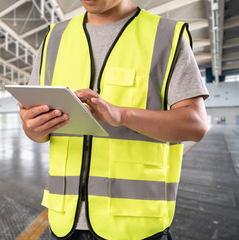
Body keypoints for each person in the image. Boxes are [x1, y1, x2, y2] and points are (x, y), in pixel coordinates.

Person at [19, 0, 209, 239]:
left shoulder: (166, 36)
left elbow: (196, 125)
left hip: (135, 225)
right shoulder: (54, 39)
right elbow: (35, 130)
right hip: (64, 222)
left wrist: (123, 115)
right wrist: (33, 128)